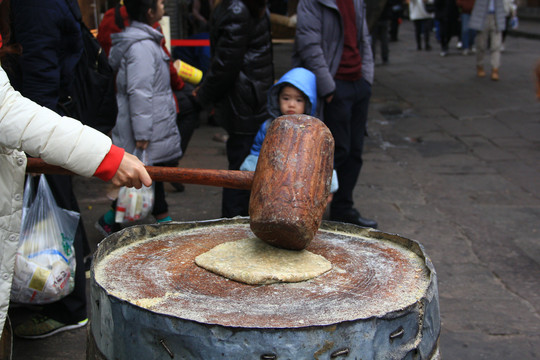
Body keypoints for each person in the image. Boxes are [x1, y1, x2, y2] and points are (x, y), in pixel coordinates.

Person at [0, 0, 151, 341]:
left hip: (47, 132)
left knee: (56, 216)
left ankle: (64, 302)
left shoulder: (34, 7)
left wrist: (103, 157)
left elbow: (16, 105)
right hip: (46, 134)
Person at [96, 0, 183, 234]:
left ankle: (113, 219)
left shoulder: (145, 41)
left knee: (150, 176)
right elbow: (139, 91)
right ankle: (164, 224)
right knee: (150, 175)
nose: (164, 4)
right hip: (144, 128)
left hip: (149, 123)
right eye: (160, 2)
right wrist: (143, 133)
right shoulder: (142, 47)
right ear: (150, 11)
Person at [293, 0, 378, 228]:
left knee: (355, 152)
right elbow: (309, 44)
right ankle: (311, 209)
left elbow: (364, 38)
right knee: (335, 152)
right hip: (334, 85)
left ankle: (343, 209)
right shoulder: (311, 2)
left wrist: (366, 78)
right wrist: (329, 88)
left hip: (358, 82)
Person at [192, 0, 274, 218]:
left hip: (244, 101)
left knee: (239, 174)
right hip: (252, 98)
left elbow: (225, 64)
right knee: (246, 168)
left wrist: (201, 98)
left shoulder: (236, 8)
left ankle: (233, 228)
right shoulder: (246, 6)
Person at [239, 67, 338, 196]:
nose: (291, 104)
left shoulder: (314, 132)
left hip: (303, 186)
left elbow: (324, 159)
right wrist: (252, 170)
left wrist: (328, 186)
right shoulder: (269, 126)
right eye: (286, 98)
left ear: (309, 102)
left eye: (298, 100)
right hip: (272, 184)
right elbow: (258, 149)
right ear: (277, 98)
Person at [469, 0, 506, 80]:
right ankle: (480, 65)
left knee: (496, 45)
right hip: (483, 16)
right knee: (481, 45)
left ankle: (495, 69)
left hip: (497, 16)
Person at [371, 0, 392, 64]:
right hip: (384, 18)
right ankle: (385, 58)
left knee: (373, 41)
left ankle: (372, 58)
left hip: (374, 19)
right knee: (384, 39)